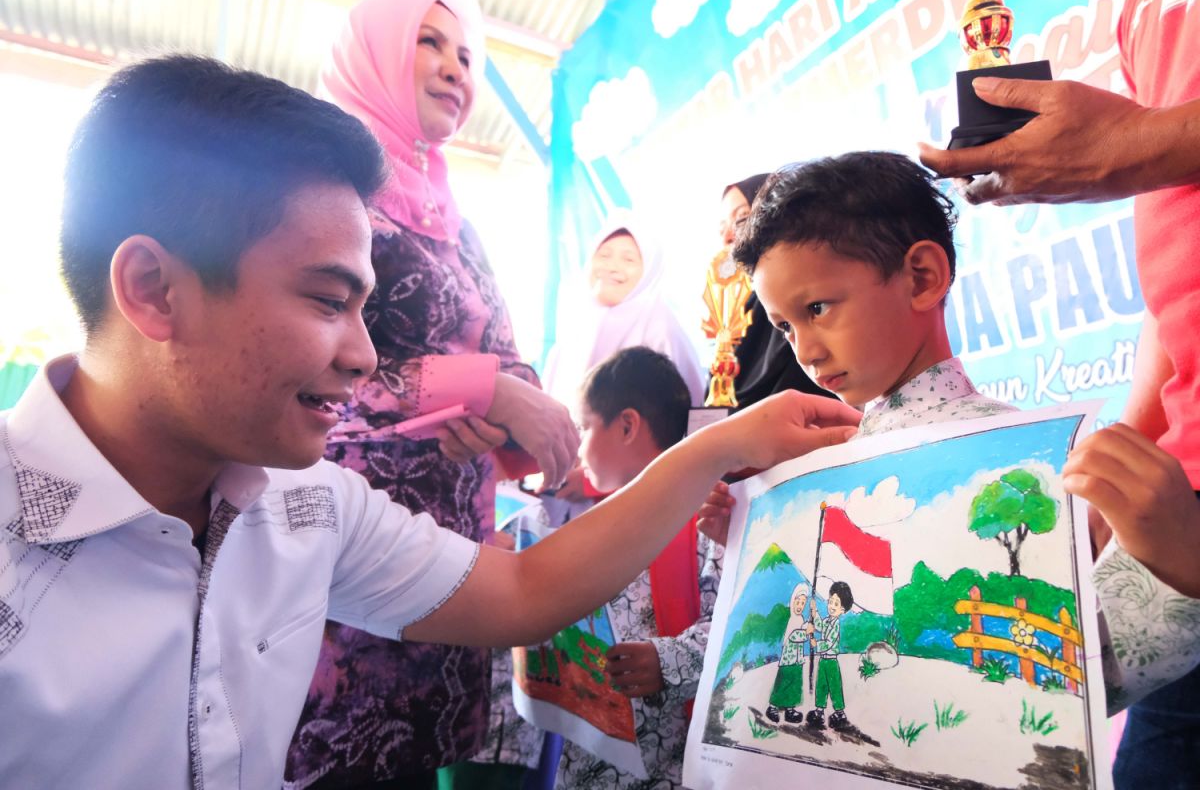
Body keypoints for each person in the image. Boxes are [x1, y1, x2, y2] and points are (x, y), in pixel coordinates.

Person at [0, 55, 862, 790]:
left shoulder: (308, 508)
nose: (366, 356)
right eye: (329, 301)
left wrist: (723, 442)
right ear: (153, 289)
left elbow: (526, 592)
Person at [728, 150, 1200, 722]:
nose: (804, 350)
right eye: (784, 326)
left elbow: (1088, 682)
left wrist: (1181, 567)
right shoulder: (815, 467)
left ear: (922, 276)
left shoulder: (1039, 462)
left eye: (818, 308)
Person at [283, 0, 576, 787]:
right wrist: (476, 390)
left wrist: (507, 406)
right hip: (346, 547)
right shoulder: (321, 188)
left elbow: (506, 354)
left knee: (423, 761)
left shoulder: (457, 219)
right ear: (372, 52)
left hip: (455, 551)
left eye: (469, 55)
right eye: (429, 42)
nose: (455, 68)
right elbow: (297, 364)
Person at [917, 0, 1200, 785]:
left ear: (923, 274)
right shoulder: (1135, 8)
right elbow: (1175, 288)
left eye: (821, 305)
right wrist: (1131, 453)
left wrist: (1135, 143)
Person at [554, 346, 724, 789]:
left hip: (667, 767)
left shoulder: (705, 514)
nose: (577, 449)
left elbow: (739, 626)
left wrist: (665, 661)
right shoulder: (594, 525)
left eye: (583, 427)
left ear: (627, 425)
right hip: (588, 761)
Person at [544, 214, 706, 408]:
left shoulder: (660, 328)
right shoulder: (577, 321)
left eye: (628, 259)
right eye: (604, 255)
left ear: (649, 271)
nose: (612, 267)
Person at [716, 174, 832, 408]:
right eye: (722, 229)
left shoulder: (798, 297)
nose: (729, 237)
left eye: (741, 220)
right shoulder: (738, 310)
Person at [805, 581, 853, 731]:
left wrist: (815, 644)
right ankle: (819, 711)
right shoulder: (827, 621)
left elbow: (829, 643)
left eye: (836, 604)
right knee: (821, 685)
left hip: (831, 662)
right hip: (823, 662)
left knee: (834, 687)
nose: (831, 606)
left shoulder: (836, 625)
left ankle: (840, 713)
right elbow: (819, 625)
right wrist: (814, 612)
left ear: (842, 610)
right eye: (831, 601)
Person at [765, 583, 810, 726]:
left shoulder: (801, 619)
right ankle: (773, 707)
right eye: (798, 602)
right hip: (788, 660)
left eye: (803, 603)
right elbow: (794, 636)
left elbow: (801, 633)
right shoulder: (792, 619)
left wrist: (807, 626)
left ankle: (790, 709)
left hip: (797, 660)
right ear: (792, 601)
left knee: (795, 684)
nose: (800, 605)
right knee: (783, 683)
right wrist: (806, 632)